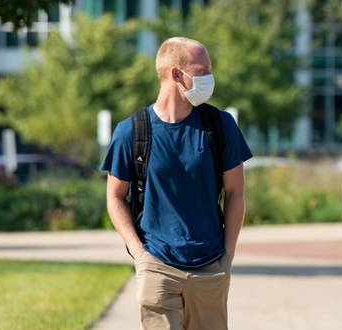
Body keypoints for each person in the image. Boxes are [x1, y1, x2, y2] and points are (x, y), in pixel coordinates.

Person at [101, 37, 253, 330]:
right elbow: (115, 197)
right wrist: (138, 252)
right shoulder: (130, 132)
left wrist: (227, 255)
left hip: (210, 266)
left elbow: (236, 193)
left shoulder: (221, 126)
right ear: (176, 74)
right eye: (203, 69)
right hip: (156, 264)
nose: (210, 77)